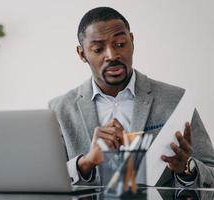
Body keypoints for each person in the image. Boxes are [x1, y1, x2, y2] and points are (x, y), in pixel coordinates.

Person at [49, 7, 214, 187]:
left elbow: (211, 172)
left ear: (132, 41)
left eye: (120, 44)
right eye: (98, 49)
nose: (112, 55)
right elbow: (45, 181)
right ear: (82, 54)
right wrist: (87, 162)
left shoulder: (176, 100)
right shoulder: (59, 110)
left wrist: (188, 168)